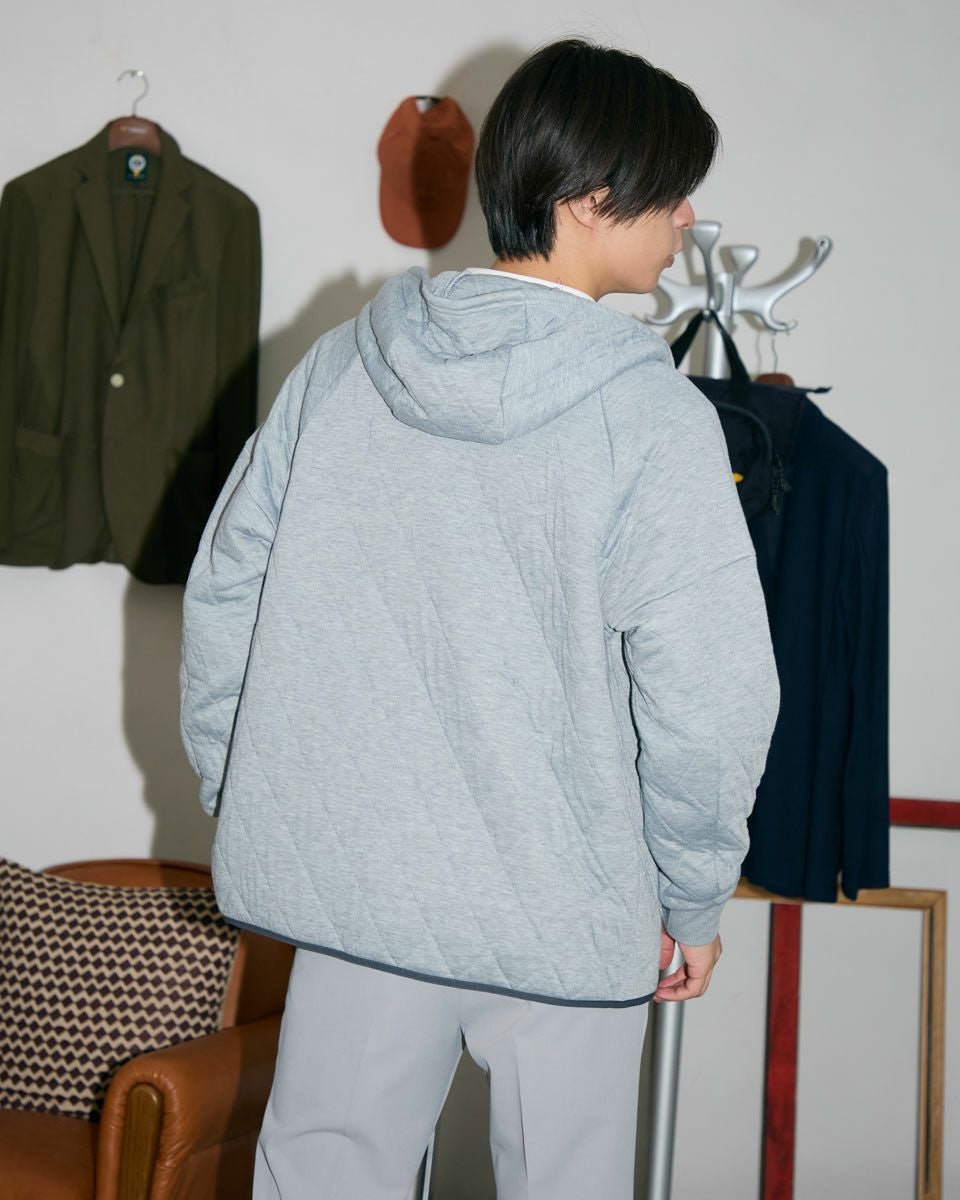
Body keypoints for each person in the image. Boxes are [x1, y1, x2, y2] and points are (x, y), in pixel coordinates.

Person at [179, 36, 780, 1200]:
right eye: (674, 187)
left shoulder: (343, 367)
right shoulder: (653, 420)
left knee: (321, 1182)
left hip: (357, 891)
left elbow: (225, 599)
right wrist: (693, 896)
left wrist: (257, 797)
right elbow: (709, 698)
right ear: (592, 196)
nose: (689, 215)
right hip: (570, 903)